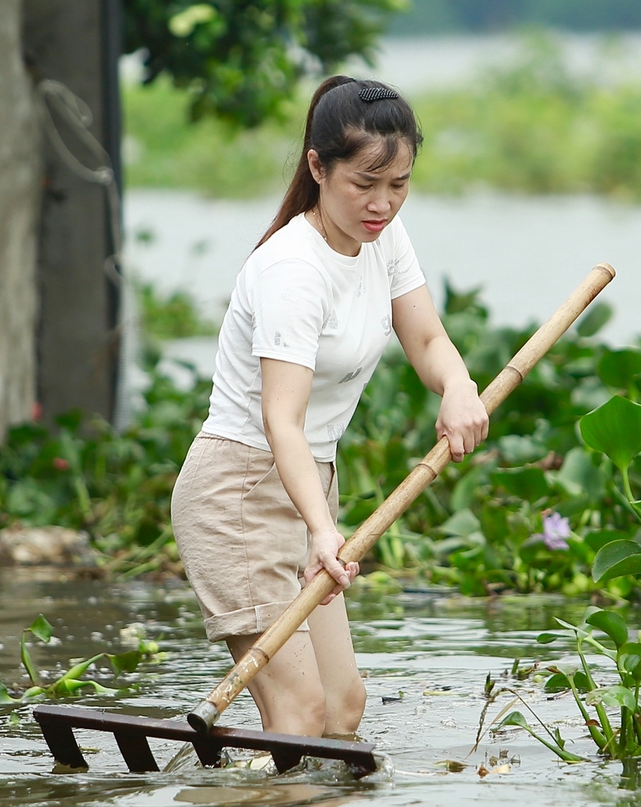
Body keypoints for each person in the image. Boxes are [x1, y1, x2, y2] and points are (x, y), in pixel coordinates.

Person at [171, 76, 488, 739]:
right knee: (299, 713)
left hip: (308, 487)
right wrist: (322, 529)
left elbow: (426, 337)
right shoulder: (292, 269)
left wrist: (457, 386)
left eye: (398, 184)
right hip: (240, 493)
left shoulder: (383, 238)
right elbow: (280, 420)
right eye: (364, 184)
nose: (382, 204)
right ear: (318, 167)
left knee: (343, 709)